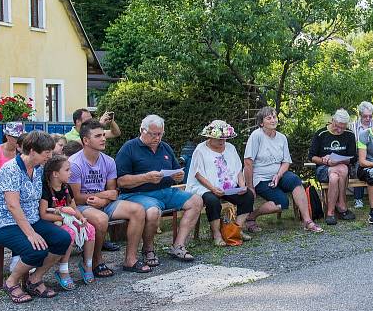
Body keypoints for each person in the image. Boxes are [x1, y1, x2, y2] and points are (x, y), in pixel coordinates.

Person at [0, 131, 70, 303]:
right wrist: (31, 233)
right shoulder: (11, 169)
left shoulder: (38, 169)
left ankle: (35, 279)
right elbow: (12, 205)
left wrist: (58, 212)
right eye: (46, 153)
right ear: (32, 151)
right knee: (36, 249)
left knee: (62, 238)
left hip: (31, 219)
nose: (49, 156)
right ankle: (11, 282)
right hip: (4, 222)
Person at [116, 115, 203, 264]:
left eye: (160, 134)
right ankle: (148, 249)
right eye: (153, 134)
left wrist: (178, 176)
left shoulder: (165, 147)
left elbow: (176, 170)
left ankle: (178, 245)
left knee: (196, 200)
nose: (157, 138)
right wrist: (145, 178)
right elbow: (121, 181)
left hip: (165, 191)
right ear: (142, 130)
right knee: (153, 212)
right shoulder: (129, 148)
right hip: (137, 194)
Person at [69, 120, 151, 275]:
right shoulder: (74, 163)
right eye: (98, 136)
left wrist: (104, 200)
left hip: (104, 203)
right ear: (86, 140)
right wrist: (101, 196)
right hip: (81, 206)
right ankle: (96, 261)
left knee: (138, 210)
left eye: (104, 134)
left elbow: (112, 192)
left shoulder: (108, 161)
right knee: (101, 219)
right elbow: (75, 197)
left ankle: (130, 259)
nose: (104, 138)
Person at [244, 107, 322, 233]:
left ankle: (307, 221)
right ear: (261, 123)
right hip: (260, 178)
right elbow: (248, 162)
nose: (273, 120)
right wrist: (250, 187)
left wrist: (279, 175)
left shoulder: (281, 138)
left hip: (278, 175)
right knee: (281, 204)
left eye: (274, 117)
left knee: (295, 180)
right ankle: (251, 216)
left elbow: (286, 162)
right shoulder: (256, 136)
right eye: (269, 118)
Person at [186, 120, 255, 246]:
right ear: (210, 137)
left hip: (228, 186)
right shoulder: (200, 149)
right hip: (205, 187)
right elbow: (198, 174)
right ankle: (217, 234)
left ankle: (236, 230)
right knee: (212, 201)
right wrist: (212, 188)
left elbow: (238, 169)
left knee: (248, 196)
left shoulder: (231, 148)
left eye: (224, 138)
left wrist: (242, 185)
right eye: (219, 138)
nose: (222, 141)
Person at [40, 155, 96, 290]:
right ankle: (63, 270)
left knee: (90, 229)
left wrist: (81, 218)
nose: (70, 172)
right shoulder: (46, 189)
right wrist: (64, 219)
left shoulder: (66, 188)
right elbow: (43, 214)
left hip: (67, 220)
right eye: (67, 170)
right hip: (54, 223)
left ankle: (87, 264)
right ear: (55, 174)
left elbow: (73, 208)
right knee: (69, 232)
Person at [309, 109, 358, 226]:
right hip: (323, 168)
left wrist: (339, 160)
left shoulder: (349, 135)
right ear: (332, 121)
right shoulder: (321, 134)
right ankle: (342, 206)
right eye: (337, 126)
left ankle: (330, 213)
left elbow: (353, 158)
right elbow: (311, 156)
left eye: (343, 127)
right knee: (341, 169)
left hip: (341, 170)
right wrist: (324, 160)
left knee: (335, 176)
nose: (340, 130)